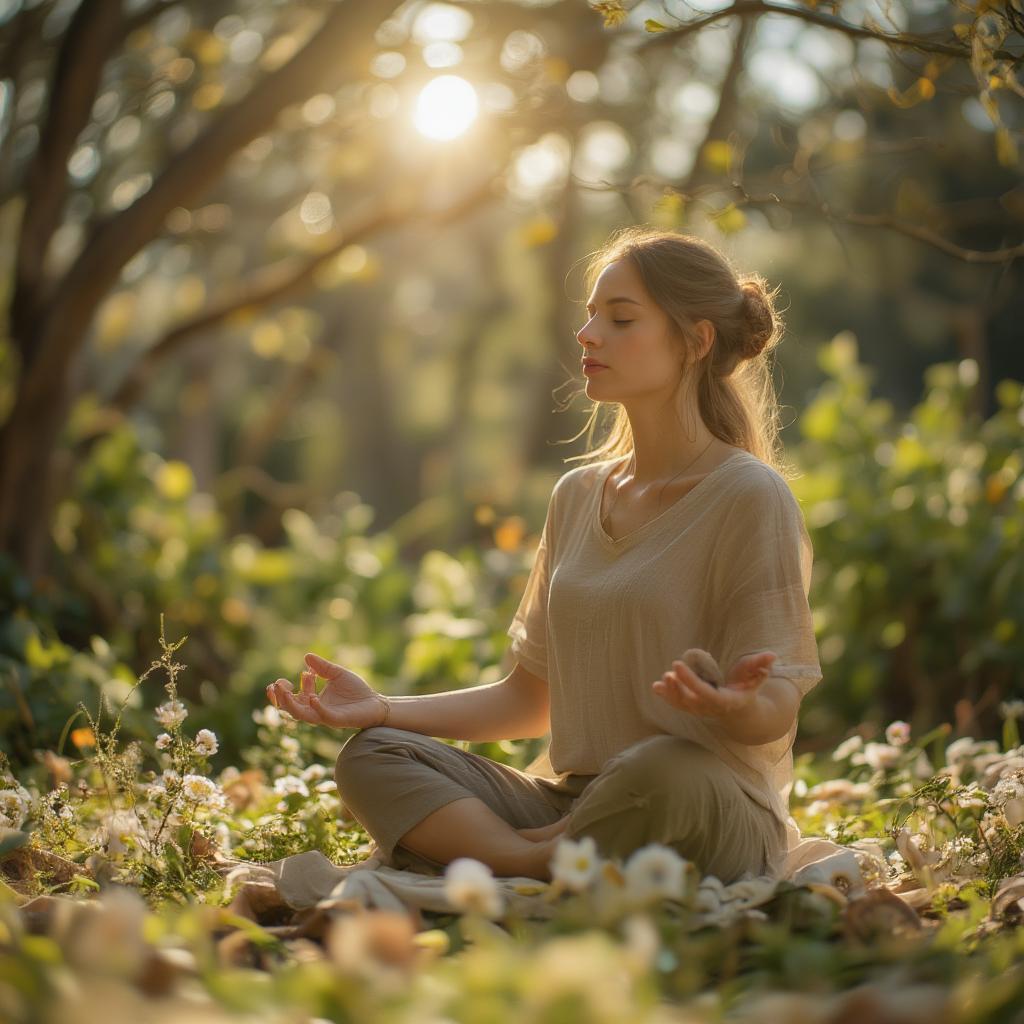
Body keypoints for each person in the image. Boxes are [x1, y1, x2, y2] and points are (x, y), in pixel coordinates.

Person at [266, 225, 823, 886]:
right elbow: (530, 700)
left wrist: (734, 708)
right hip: (573, 807)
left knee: (659, 767)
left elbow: (779, 700)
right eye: (590, 315)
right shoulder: (577, 494)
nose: (588, 335)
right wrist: (383, 708)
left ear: (696, 341)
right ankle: (531, 860)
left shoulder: (748, 495)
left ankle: (534, 858)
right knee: (373, 756)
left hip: (695, 800)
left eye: (619, 319)